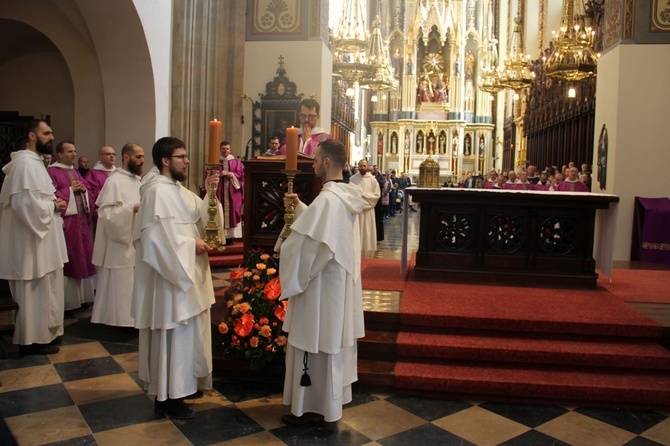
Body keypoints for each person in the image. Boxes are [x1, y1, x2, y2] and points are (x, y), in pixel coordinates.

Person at [278, 139, 366, 425]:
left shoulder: (328, 200)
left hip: (319, 288)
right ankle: (328, 405)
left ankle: (311, 408)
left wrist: (284, 246)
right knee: (329, 344)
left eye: (315, 159)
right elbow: (327, 234)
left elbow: (309, 248)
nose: (312, 164)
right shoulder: (344, 196)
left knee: (316, 342)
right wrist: (303, 208)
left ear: (327, 162)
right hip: (334, 285)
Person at [132, 137, 219, 420]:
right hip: (169, 279)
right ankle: (167, 395)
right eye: (181, 157)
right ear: (165, 161)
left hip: (186, 273)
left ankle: (183, 385)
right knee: (174, 334)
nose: (187, 161)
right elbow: (154, 242)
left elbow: (204, 215)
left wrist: (212, 191)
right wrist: (189, 245)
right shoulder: (156, 193)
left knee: (188, 333)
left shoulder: (176, 190)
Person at [0, 120, 68, 355]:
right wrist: (51, 207)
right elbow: (23, 203)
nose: (51, 137)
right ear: (31, 135)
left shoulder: (36, 164)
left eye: (51, 132)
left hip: (42, 241)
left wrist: (52, 204)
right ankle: (31, 341)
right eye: (46, 133)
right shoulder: (25, 166)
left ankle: (43, 337)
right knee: (33, 291)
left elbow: (36, 200)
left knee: (45, 289)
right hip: (31, 244)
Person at [91, 143, 144, 327]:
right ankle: (120, 320)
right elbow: (105, 213)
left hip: (135, 239)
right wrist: (131, 209)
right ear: (126, 157)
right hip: (119, 242)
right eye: (138, 156)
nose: (142, 160)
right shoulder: (114, 181)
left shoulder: (137, 181)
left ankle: (133, 319)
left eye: (143, 156)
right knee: (122, 283)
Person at [49, 141, 97, 311]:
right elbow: (51, 196)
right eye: (69, 151)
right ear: (60, 154)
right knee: (71, 258)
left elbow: (89, 192)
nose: (74, 154)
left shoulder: (75, 171)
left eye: (75, 151)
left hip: (80, 222)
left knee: (82, 255)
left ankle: (83, 298)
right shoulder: (52, 171)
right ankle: (69, 302)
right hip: (67, 223)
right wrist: (69, 189)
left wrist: (83, 190)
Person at [215, 140, 244, 245]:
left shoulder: (236, 162)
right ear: (220, 149)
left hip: (233, 193)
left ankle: (231, 237)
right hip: (220, 192)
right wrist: (220, 175)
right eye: (223, 148)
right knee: (220, 211)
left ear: (230, 149)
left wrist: (231, 174)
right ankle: (221, 236)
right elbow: (209, 175)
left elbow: (242, 176)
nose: (225, 150)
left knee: (232, 211)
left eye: (227, 148)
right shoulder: (215, 162)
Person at [349, 160, 380, 252]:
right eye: (361, 166)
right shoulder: (352, 179)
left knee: (367, 231)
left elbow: (377, 195)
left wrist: (365, 196)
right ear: (358, 166)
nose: (362, 168)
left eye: (364, 166)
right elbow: (349, 193)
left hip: (368, 210)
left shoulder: (372, 180)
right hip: (356, 210)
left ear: (367, 167)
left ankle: (368, 250)